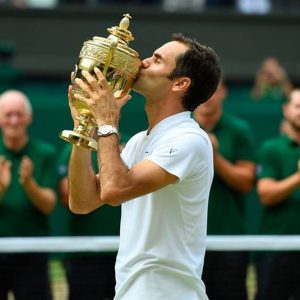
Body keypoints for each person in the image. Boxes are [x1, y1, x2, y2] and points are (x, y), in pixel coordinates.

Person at [66, 32, 221, 300]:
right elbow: (82, 201)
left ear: (180, 83)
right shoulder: (140, 140)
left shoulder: (190, 139)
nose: (142, 62)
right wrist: (85, 127)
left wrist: (107, 122)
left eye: (157, 60)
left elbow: (114, 190)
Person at [193, 80, 256, 300]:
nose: (208, 96)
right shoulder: (179, 129)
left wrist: (215, 156)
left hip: (229, 241)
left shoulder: (239, 130)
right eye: (204, 90)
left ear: (224, 93)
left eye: (214, 90)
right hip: (185, 242)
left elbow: (246, 182)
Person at [0, 90, 57, 300]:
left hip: (33, 253)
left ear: (29, 118)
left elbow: (49, 205)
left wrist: (29, 184)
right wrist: (1, 187)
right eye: (8, 115)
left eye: (19, 114)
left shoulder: (45, 153)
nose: (14, 121)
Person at [57, 143, 121, 300]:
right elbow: (70, 197)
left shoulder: (132, 144)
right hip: (84, 255)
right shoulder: (74, 147)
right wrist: (116, 168)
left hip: (125, 252)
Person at [255, 88, 300, 300]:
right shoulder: (271, 148)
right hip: (275, 249)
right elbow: (266, 194)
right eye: (298, 106)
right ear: (286, 109)